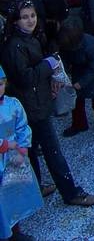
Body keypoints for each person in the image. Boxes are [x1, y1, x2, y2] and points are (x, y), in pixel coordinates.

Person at [1, 0, 94, 207]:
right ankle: (71, 193)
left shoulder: (30, 37)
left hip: (35, 103)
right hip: (32, 106)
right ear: (15, 20)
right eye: (25, 17)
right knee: (52, 152)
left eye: (32, 15)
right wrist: (49, 64)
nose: (30, 20)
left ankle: (37, 187)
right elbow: (25, 78)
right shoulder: (15, 46)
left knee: (32, 148)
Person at [0, 65, 43, 241]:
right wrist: (5, 144)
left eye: (0, 84)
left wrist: (23, 148)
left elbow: (23, 126)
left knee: (13, 196)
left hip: (14, 157)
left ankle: (15, 232)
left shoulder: (13, 104)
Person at [56, 17, 94, 138]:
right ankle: (79, 124)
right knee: (76, 100)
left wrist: (80, 83)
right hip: (80, 66)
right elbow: (64, 58)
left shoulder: (92, 47)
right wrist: (63, 74)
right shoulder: (67, 43)